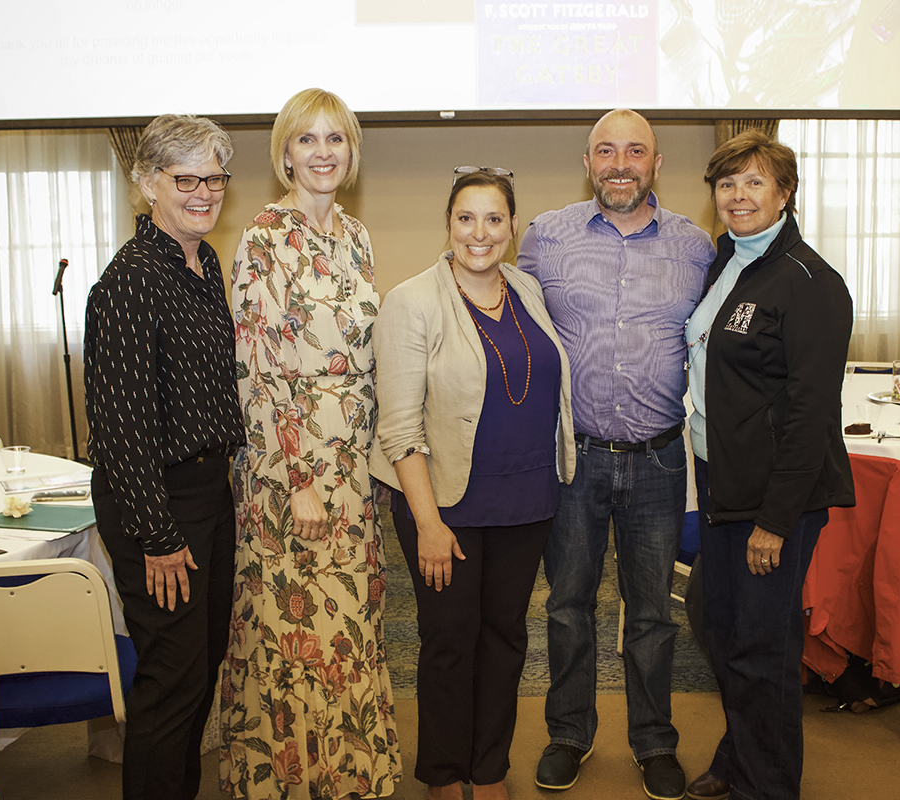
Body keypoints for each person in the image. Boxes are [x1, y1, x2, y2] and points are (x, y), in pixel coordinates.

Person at [517, 108, 714, 800]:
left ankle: (654, 739)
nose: (621, 163)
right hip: (574, 460)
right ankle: (569, 732)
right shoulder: (545, 238)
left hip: (660, 460)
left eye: (636, 151)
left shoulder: (696, 246)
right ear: (588, 161)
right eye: (607, 151)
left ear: (656, 164)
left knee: (653, 612)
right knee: (568, 605)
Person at [371, 167, 576, 800]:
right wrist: (428, 522)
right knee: (449, 642)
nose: (479, 232)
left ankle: (488, 767)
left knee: (507, 639)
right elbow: (399, 425)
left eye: (494, 218)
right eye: (466, 218)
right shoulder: (412, 301)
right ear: (449, 225)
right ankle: (442, 774)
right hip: (446, 505)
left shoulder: (526, 289)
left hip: (527, 501)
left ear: (514, 227)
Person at [222, 88, 400, 800]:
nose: (323, 152)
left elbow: (365, 357)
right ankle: (291, 778)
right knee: (291, 625)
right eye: (308, 139)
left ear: (351, 152)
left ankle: (348, 771)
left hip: (351, 460)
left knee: (351, 616)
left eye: (336, 139)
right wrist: (296, 478)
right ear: (285, 153)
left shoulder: (357, 236)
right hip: (290, 463)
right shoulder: (264, 236)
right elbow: (256, 370)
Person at [683, 130, 854, 800]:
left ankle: (768, 786)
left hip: (774, 502)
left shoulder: (810, 282)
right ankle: (741, 754)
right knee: (717, 623)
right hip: (723, 484)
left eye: (754, 182)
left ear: (785, 193)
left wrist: (775, 523)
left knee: (763, 647)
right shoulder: (726, 261)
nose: (737, 195)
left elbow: (813, 418)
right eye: (727, 183)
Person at [84, 113, 244, 800]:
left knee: (197, 674)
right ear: (148, 182)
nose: (205, 192)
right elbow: (118, 427)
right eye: (187, 179)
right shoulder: (129, 280)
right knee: (170, 682)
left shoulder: (201, 262)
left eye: (214, 177)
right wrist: (157, 537)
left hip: (208, 495)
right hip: (158, 506)